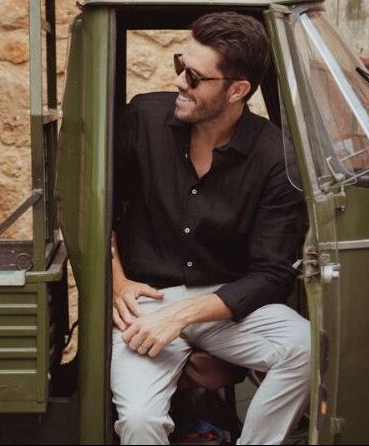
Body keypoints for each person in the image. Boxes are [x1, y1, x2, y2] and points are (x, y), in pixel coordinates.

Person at [111, 11, 310, 445]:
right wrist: (117, 280)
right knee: (140, 421)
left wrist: (183, 314)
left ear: (238, 90)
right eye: (180, 66)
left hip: (225, 305)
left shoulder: (274, 156)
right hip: (145, 301)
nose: (180, 81)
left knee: (306, 348)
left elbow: (273, 273)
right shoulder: (143, 118)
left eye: (195, 77)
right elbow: (96, 210)